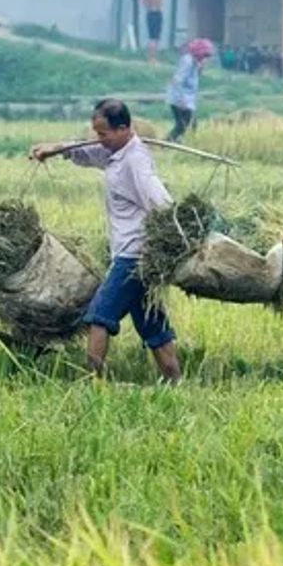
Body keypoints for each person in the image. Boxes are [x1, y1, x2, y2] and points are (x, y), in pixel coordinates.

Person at [29, 99, 182, 384]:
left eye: (103, 133)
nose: (98, 139)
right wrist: (55, 149)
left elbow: (162, 203)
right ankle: (176, 382)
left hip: (133, 257)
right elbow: (88, 153)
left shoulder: (135, 161)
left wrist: (168, 240)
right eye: (96, 133)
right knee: (153, 327)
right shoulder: (116, 152)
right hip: (136, 257)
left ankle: (93, 384)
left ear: (124, 129)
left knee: (99, 317)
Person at [167, 38, 216, 143]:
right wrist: (181, 100)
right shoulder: (187, 61)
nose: (205, 58)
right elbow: (177, 80)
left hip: (188, 98)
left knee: (192, 124)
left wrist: (200, 69)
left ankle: (187, 143)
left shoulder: (195, 62)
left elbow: (193, 79)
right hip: (179, 98)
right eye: (204, 55)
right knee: (182, 125)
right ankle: (166, 143)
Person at [142, 0, 167, 64]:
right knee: (155, 37)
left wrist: (148, 7)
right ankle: (152, 58)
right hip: (156, 13)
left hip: (149, 13)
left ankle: (151, 57)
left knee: (151, 37)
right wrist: (158, 4)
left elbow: (143, 0)